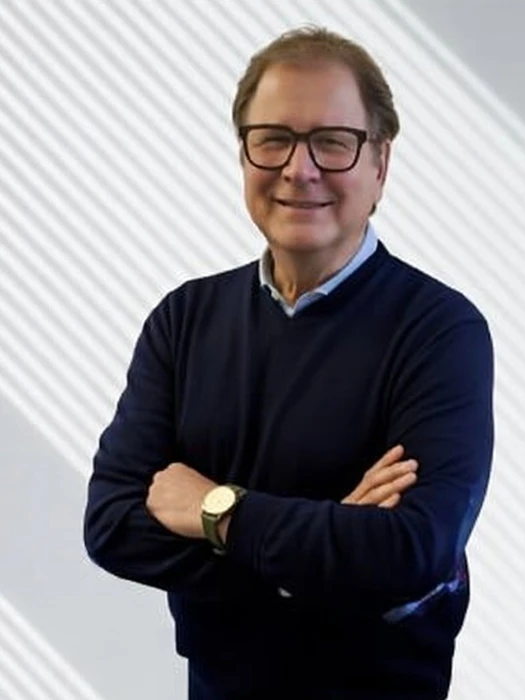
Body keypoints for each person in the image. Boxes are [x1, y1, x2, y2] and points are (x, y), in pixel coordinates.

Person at [84, 26, 494, 700]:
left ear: (380, 164)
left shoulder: (440, 332)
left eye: (332, 142)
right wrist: (329, 548)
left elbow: (412, 552)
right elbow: (112, 524)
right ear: (243, 153)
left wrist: (212, 508)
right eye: (273, 138)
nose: (299, 169)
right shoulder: (184, 320)